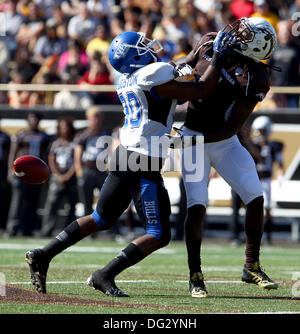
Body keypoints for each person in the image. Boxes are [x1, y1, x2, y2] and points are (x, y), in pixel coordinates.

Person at [25, 30, 234, 296]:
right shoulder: (152, 75)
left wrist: (194, 54)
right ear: (133, 56)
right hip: (142, 160)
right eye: (141, 46)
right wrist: (216, 57)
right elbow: (202, 88)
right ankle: (104, 274)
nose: (148, 48)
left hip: (124, 155)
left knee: (101, 217)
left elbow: (175, 83)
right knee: (159, 233)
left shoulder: (129, 78)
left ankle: (44, 254)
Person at [172, 17, 280, 298]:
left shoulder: (256, 77)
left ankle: (251, 265)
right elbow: (184, 63)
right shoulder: (210, 40)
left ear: (255, 47)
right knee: (197, 205)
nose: (236, 31)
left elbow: (233, 126)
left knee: (255, 197)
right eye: (241, 27)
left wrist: (191, 138)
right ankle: (195, 274)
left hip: (222, 139)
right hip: (193, 135)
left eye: (245, 33)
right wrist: (182, 71)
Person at [6, 112, 51, 236]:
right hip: (21, 173)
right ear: (27, 120)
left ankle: (28, 229)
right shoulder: (21, 134)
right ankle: (12, 229)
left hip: (37, 173)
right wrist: (10, 170)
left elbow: (47, 155)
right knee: (17, 201)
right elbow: (13, 152)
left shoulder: (44, 136)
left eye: (36, 119)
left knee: (33, 201)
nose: (34, 121)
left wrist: (47, 172)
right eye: (32, 119)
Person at [40, 118, 78, 237]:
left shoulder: (75, 142)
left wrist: (68, 175)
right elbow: (51, 160)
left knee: (72, 205)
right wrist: (57, 175)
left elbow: (77, 160)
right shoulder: (55, 143)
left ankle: (70, 233)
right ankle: (46, 230)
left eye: (67, 126)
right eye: (62, 126)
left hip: (71, 176)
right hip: (57, 176)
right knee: (52, 204)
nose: (64, 129)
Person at [251, 116, 284, 244]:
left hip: (266, 180)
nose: (259, 133)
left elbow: (280, 162)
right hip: (254, 179)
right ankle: (253, 235)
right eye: (258, 130)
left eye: (262, 130)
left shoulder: (273, 146)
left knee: (268, 207)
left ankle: (269, 236)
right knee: (253, 208)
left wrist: (281, 175)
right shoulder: (252, 145)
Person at [74, 106, 110, 217]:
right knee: (86, 201)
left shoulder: (106, 133)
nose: (96, 120)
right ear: (88, 118)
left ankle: (114, 229)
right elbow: (78, 152)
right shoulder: (84, 134)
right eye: (94, 117)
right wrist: (79, 169)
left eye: (98, 117)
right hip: (87, 169)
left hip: (101, 170)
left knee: (108, 198)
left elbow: (111, 150)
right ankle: (88, 229)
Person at [0, 119, 11, 232]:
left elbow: (9, 154)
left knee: (2, 199)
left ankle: (2, 226)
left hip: (1, 168)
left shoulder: (5, 137)